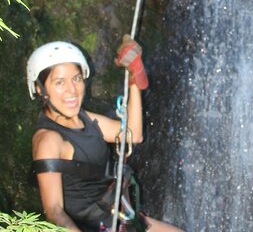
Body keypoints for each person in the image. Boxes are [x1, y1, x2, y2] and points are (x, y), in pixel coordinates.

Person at [27, 36, 183, 232]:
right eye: (59, 82)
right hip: (91, 227)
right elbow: (54, 211)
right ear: (39, 89)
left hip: (117, 217)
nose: (72, 90)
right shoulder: (49, 140)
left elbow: (133, 135)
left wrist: (134, 76)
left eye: (76, 79)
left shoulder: (85, 119)